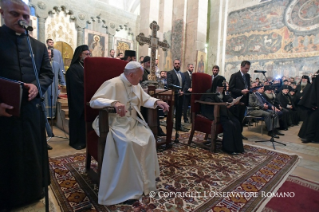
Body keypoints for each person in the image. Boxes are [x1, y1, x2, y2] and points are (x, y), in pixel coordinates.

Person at [90, 61, 169, 205]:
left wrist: (158, 102)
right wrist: (113, 103)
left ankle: (144, 180)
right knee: (128, 144)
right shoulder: (113, 83)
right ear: (131, 74)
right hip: (115, 123)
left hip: (132, 123)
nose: (140, 80)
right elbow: (94, 101)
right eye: (139, 77)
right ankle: (126, 187)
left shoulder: (135, 85)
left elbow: (145, 99)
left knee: (149, 137)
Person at [0, 0, 54, 210]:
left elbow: (47, 74)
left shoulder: (38, 46)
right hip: (4, 115)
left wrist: (36, 86)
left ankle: (34, 191)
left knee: (32, 153)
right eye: (16, 15)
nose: (21, 20)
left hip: (32, 112)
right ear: (3, 13)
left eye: (25, 16)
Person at [200, 76, 244, 154]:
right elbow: (209, 102)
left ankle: (238, 148)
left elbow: (227, 98)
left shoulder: (222, 92)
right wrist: (224, 104)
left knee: (236, 122)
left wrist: (232, 101)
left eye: (223, 87)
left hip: (223, 113)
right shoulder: (209, 92)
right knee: (229, 124)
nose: (222, 89)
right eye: (220, 87)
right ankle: (228, 148)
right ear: (216, 85)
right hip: (212, 113)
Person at [66, 45, 91, 150]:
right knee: (77, 120)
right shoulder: (73, 68)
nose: (89, 56)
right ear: (80, 55)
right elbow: (76, 85)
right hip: (77, 99)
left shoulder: (85, 66)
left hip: (85, 98)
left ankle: (84, 140)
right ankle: (76, 141)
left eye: (89, 54)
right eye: (87, 54)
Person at [229, 60, 251, 140]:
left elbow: (247, 87)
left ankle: (239, 134)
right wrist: (241, 91)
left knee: (241, 119)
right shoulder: (235, 76)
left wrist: (251, 90)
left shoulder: (247, 76)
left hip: (244, 100)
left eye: (248, 68)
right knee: (236, 119)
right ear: (241, 67)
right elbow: (231, 89)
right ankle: (234, 135)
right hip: (237, 101)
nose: (247, 70)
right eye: (245, 68)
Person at [167, 59, 188, 132]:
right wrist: (177, 91)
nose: (177, 65)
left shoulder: (182, 74)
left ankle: (178, 126)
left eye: (178, 63)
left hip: (181, 95)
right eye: (175, 63)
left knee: (179, 112)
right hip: (174, 95)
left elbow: (185, 83)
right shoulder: (170, 73)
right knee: (171, 112)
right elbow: (169, 84)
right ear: (173, 64)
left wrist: (183, 91)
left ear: (180, 64)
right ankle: (169, 126)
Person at [44, 48, 66, 119]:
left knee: (52, 100)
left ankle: (52, 116)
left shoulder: (56, 64)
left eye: (50, 53)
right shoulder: (41, 63)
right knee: (45, 100)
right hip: (44, 86)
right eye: (47, 53)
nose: (49, 54)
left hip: (54, 86)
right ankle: (44, 116)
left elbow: (60, 75)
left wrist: (61, 84)